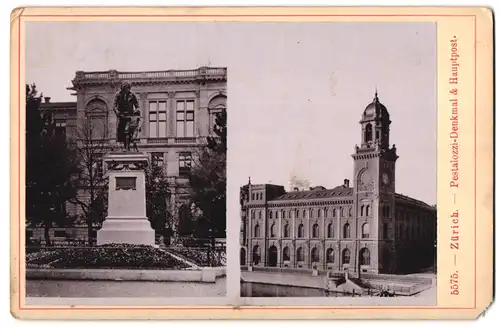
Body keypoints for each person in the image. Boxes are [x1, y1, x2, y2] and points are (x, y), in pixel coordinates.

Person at [113, 81, 140, 151]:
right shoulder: (118, 94)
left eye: (127, 89)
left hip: (129, 116)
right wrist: (117, 111)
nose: (125, 90)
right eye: (124, 89)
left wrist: (136, 110)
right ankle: (125, 147)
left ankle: (127, 148)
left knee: (127, 131)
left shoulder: (132, 95)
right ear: (122, 88)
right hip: (121, 116)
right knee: (121, 132)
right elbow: (114, 106)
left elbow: (137, 106)